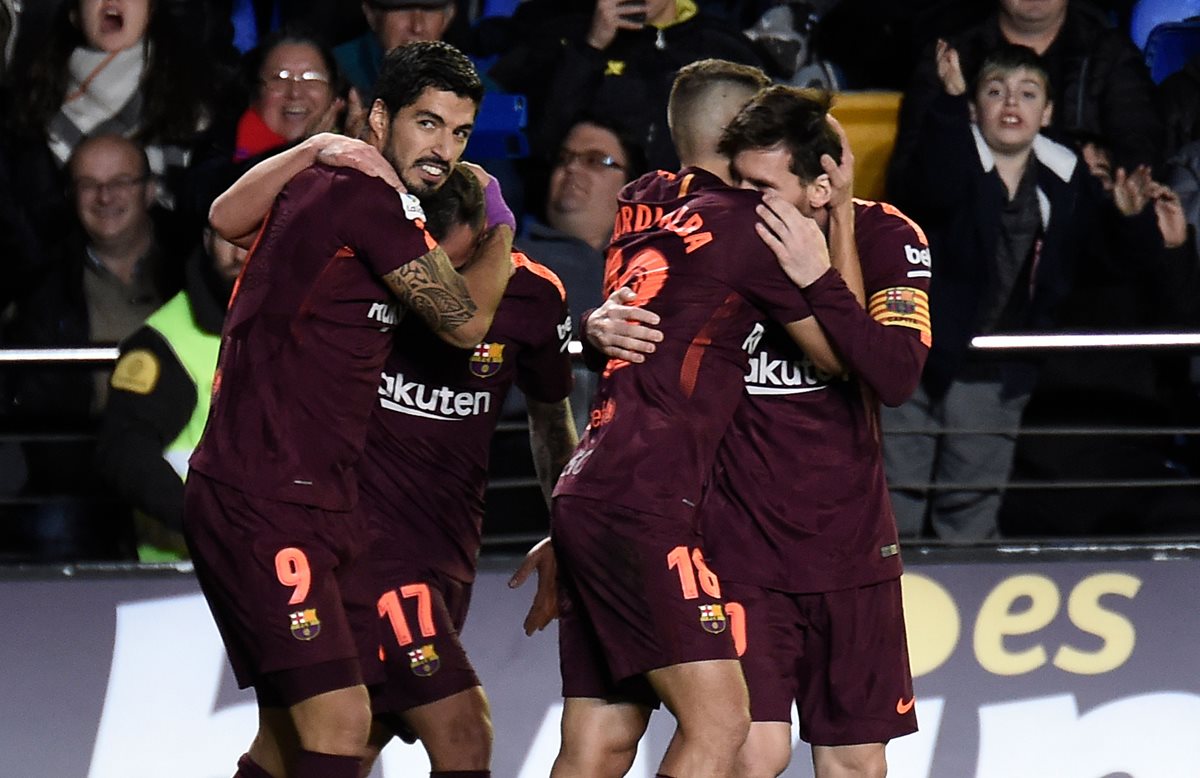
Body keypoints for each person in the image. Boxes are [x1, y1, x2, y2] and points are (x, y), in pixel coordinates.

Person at [185, 41, 512, 778]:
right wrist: (500, 225)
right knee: (340, 723)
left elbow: (225, 216)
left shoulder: (339, 183)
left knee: (287, 740)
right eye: (428, 124)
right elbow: (464, 323)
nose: (445, 151)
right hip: (263, 498)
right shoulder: (365, 198)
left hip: (321, 502)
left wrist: (314, 148)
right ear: (381, 118)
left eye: (460, 133)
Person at [587, 84, 929, 777]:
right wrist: (597, 329)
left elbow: (894, 375)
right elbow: (637, 315)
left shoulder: (891, 236)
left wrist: (820, 272)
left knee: (856, 763)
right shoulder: (712, 232)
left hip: (853, 551)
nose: (741, 200)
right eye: (736, 180)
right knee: (751, 752)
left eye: (761, 187)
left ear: (822, 185)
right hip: (736, 549)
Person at [547, 58, 844, 778]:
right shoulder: (749, 225)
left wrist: (589, 325)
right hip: (648, 499)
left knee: (601, 738)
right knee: (722, 723)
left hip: (590, 485)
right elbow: (843, 355)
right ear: (744, 130)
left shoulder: (640, 204)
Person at [882, 42, 1156, 540]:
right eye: (995, 91)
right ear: (973, 108)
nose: (1011, 103)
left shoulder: (1065, 176)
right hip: (916, 360)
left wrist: (1128, 219)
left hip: (994, 371)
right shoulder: (947, 149)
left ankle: (962, 589)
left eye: (1028, 93)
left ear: (1047, 112)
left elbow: (1101, 267)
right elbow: (931, 188)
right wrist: (948, 101)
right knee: (895, 503)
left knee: (969, 507)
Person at [356, 164, 577, 776]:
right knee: (464, 737)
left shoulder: (536, 297)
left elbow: (551, 422)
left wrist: (570, 533)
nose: (439, 290)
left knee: (348, 744)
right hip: (366, 550)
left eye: (452, 267)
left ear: (485, 237)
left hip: (450, 555)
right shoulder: (375, 272)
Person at [887, 0, 1162, 195]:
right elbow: (908, 180)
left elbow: (1140, 161)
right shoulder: (950, 55)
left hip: (1083, 238)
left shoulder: (1111, 55)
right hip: (968, 231)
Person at [95, 226, 247, 563]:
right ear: (206, 239)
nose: (240, 253)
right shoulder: (164, 343)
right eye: (229, 237)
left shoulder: (311, 326)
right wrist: (213, 527)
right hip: (185, 575)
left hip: (293, 570)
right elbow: (124, 451)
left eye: (255, 235)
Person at [488, 0, 764, 170]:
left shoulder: (725, 47)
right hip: (588, 204)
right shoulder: (562, 35)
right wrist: (591, 48)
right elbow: (541, 141)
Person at [517, 113, 647, 432]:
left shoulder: (654, 267)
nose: (572, 168)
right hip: (523, 440)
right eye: (565, 158)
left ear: (632, 186)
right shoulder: (511, 259)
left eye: (594, 160)